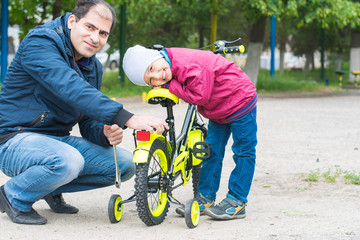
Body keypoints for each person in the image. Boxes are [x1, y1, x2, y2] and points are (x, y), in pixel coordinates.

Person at [0, 0, 168, 225]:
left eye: (103, 33)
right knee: (68, 161)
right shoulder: (40, 42)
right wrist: (127, 117)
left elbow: (88, 119)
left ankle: (45, 187)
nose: (95, 38)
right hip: (14, 139)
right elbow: (69, 86)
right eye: (89, 27)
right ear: (72, 21)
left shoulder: (92, 67)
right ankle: (14, 196)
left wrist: (104, 133)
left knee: (124, 165)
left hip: (57, 141)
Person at [123, 45, 257, 220]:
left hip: (240, 101)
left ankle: (237, 200)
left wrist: (170, 85)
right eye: (151, 81)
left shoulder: (185, 64)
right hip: (218, 108)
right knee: (210, 151)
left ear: (156, 56)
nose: (158, 77)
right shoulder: (169, 64)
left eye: (151, 69)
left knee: (243, 151)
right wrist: (170, 83)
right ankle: (206, 196)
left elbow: (200, 96)